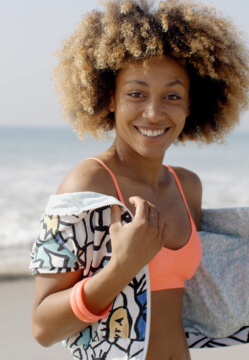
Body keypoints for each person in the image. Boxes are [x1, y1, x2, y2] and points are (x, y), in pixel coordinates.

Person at [29, 1, 249, 359]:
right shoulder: (87, 186)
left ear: (191, 104)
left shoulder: (186, 187)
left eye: (172, 96)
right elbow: (43, 328)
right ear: (110, 98)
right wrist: (122, 268)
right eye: (136, 93)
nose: (154, 112)